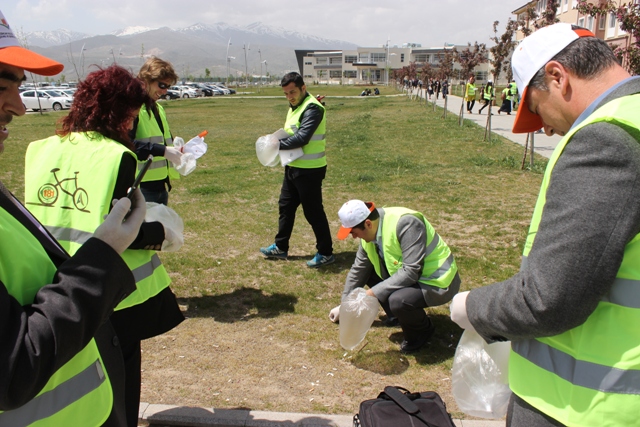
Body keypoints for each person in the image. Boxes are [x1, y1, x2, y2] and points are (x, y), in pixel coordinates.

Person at [450, 24, 640, 427]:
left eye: (536, 110)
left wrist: (470, 307)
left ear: (558, 76)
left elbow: (549, 298)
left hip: (585, 405)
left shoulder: (607, 140)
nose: (547, 129)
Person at [0, 10, 147, 426]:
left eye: (18, 86)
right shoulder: (119, 156)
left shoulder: (39, 149)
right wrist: (102, 255)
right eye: (0, 86)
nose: (19, 107)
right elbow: (15, 366)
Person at [24, 65, 185, 426]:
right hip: (109, 286)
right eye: (129, 115)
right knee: (121, 383)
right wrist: (163, 233)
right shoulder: (117, 157)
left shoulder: (38, 149)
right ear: (117, 112)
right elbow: (122, 227)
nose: (131, 124)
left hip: (56, 282)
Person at [333, 200, 460, 353]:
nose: (354, 237)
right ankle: (397, 316)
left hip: (437, 281)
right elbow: (358, 270)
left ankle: (421, 332)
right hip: (413, 277)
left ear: (367, 224)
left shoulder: (407, 224)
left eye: (353, 232)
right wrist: (345, 306)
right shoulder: (370, 233)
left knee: (399, 301)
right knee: (368, 271)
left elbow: (411, 272)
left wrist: (369, 294)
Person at [260, 72, 334, 268]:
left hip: (309, 170)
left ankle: (326, 252)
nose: (289, 97)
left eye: (292, 92)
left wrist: (275, 144)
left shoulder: (313, 109)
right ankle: (280, 246)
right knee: (285, 207)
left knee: (313, 212)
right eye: (285, 93)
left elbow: (302, 138)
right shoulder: (297, 105)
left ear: (303, 87)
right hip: (293, 166)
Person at [132, 57, 182, 205]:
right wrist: (164, 151)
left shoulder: (157, 108)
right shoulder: (133, 108)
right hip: (141, 188)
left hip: (161, 184)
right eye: (161, 85)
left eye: (167, 87)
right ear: (146, 80)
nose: (164, 91)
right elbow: (126, 145)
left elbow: (163, 141)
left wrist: (179, 149)